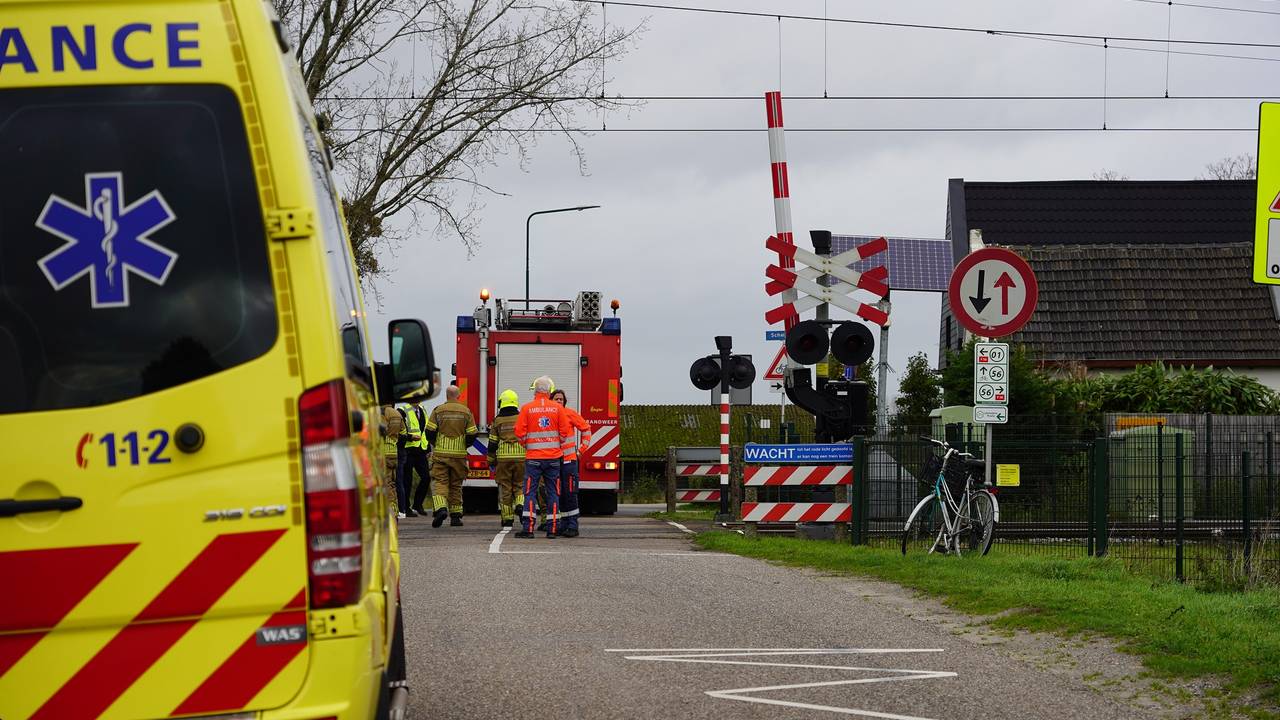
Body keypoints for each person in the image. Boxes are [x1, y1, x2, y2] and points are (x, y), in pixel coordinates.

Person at [514, 376, 572, 539]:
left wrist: (527, 444)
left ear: (535, 391)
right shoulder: (557, 408)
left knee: (530, 492)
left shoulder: (527, 408)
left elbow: (519, 432)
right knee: (553, 492)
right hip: (554, 458)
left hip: (533, 459)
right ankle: (553, 529)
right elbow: (565, 432)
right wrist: (555, 444)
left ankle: (528, 529)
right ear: (549, 391)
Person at [425, 385, 477, 527]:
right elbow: (472, 433)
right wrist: (463, 445)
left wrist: (436, 443)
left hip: (441, 454)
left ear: (447, 396)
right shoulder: (466, 412)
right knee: (456, 485)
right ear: (458, 396)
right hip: (459, 456)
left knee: (440, 482)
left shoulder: (438, 410)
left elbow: (429, 431)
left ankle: (441, 509)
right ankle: (455, 517)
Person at [549, 388, 591, 538]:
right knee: (558, 494)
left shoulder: (570, 413)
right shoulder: (548, 416)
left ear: (564, 402)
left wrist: (581, 450)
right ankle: (563, 524)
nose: (559, 401)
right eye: (556, 399)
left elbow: (586, 429)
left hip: (569, 461)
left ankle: (573, 525)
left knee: (570, 493)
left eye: (561, 399)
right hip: (554, 461)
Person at [487, 389, 525, 528]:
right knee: (520, 485)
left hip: (503, 459)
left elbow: (492, 443)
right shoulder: (522, 418)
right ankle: (520, 505)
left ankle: (507, 518)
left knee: (505, 488)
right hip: (521, 457)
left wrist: (491, 461)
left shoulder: (497, 420)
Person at [400, 394, 432, 516]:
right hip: (408, 449)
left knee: (426, 477)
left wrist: (428, 448)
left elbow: (425, 432)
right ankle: (406, 508)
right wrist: (410, 437)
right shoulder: (402, 411)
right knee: (407, 480)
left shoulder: (422, 410)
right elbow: (400, 431)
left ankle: (418, 505)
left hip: (420, 450)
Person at [381, 404, 406, 518]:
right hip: (393, 453)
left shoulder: (381, 412)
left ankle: (389, 514)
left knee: (383, 485)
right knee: (391, 484)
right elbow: (404, 434)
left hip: (381, 453)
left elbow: (379, 431)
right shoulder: (397, 414)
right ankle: (394, 512)